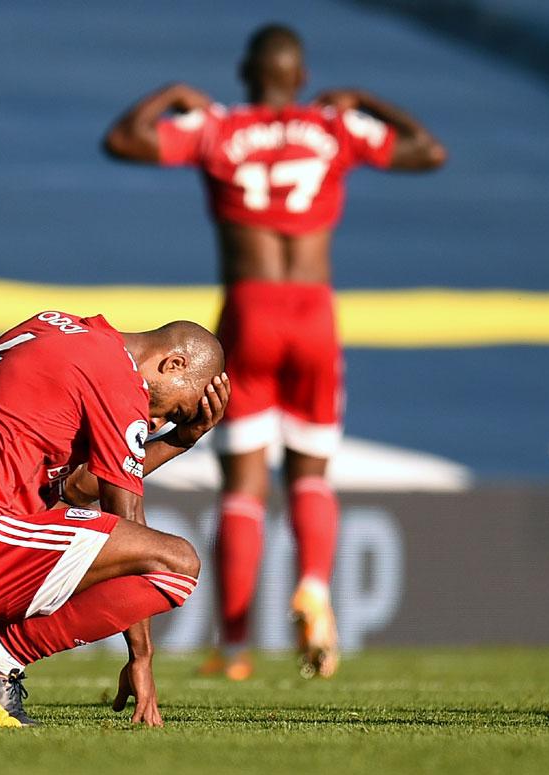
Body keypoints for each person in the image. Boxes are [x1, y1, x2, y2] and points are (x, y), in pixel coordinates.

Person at [103, 24, 445, 680]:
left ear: (244, 72)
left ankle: (233, 648)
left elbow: (123, 140)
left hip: (250, 310)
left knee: (244, 483)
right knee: (312, 471)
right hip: (313, 309)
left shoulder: (219, 129)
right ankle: (314, 583)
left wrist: (169, 94)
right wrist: (368, 102)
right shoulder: (331, 129)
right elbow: (428, 150)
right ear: (301, 74)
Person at [0, 310, 229, 728]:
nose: (158, 422)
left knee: (53, 516)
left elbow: (77, 489)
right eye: (178, 411)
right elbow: (126, 516)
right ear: (174, 364)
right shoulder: (116, 373)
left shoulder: (52, 327)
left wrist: (179, 442)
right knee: (176, 564)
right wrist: (142, 657)